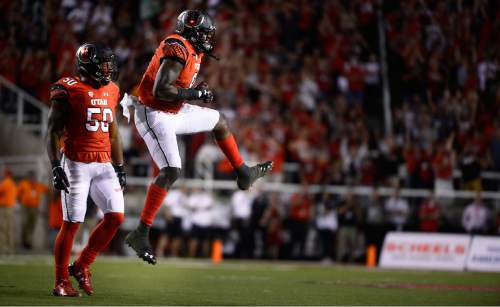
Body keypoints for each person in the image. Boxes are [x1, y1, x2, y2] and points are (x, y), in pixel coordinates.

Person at [124, 10, 273, 265]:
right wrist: (194, 94)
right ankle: (141, 232)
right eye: (204, 33)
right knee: (171, 171)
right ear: (192, 31)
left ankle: (243, 173)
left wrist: (191, 95)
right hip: (154, 112)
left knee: (219, 121)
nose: (207, 38)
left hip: (174, 110)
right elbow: (161, 89)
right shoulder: (178, 46)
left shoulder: (193, 49)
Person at [47, 42, 126, 297]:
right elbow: (53, 131)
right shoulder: (68, 89)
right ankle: (61, 281)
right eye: (104, 64)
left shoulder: (112, 89)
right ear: (89, 64)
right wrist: (55, 166)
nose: (109, 70)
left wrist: (120, 165)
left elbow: (113, 134)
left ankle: (81, 266)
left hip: (103, 163)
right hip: (76, 163)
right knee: (72, 223)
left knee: (115, 217)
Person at [17, 171, 49, 249]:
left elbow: (48, 191)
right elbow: (18, 194)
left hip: (34, 208)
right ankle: (24, 242)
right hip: (25, 207)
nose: (32, 179)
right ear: (28, 177)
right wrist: (22, 202)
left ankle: (29, 243)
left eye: (33, 177)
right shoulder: (23, 184)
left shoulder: (38, 186)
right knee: (25, 224)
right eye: (31, 177)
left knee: (32, 225)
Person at [0, 168, 17, 255]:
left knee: (2, 229)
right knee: (9, 229)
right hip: (11, 208)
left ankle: (3, 249)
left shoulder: (5, 182)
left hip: (4, 208)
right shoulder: (12, 183)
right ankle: (10, 249)